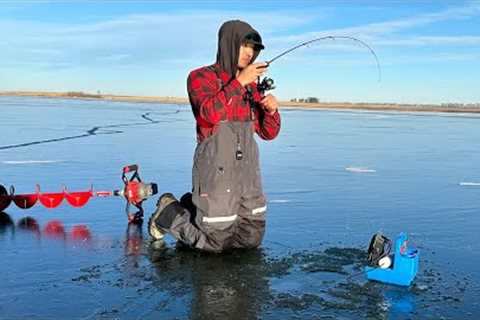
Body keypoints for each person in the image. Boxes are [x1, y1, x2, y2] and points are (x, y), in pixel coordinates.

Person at [148, 19, 281, 253]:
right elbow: (207, 114)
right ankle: (168, 213)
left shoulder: (251, 85)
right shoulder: (201, 77)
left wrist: (272, 111)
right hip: (216, 170)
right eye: (244, 46)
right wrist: (239, 82)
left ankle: (193, 208)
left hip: (248, 172)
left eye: (254, 48)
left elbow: (268, 133)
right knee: (215, 242)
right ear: (228, 44)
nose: (250, 53)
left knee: (251, 239)